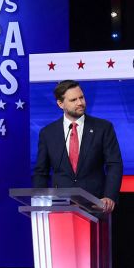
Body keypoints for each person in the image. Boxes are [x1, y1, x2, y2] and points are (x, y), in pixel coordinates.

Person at [32, 80, 123, 213]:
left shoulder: (103, 128)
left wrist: (109, 197)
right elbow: (41, 172)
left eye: (81, 97)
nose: (80, 103)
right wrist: (40, 201)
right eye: (73, 100)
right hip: (60, 207)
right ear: (60, 104)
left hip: (95, 205)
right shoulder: (48, 133)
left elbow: (114, 164)